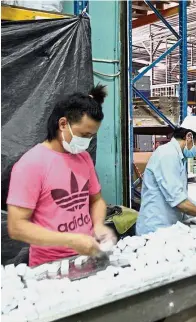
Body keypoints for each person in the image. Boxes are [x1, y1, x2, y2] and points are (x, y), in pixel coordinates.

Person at [7, 85, 117, 267]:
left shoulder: (83, 158)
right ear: (63, 124)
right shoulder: (31, 165)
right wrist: (70, 240)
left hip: (87, 258)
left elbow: (96, 200)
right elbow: (17, 227)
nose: (87, 141)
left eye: (91, 136)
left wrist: (98, 225)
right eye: (84, 134)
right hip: (50, 266)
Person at [136, 115, 196, 235]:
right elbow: (179, 201)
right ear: (189, 137)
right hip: (154, 230)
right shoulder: (167, 155)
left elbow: (180, 194)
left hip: (167, 229)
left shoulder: (178, 157)